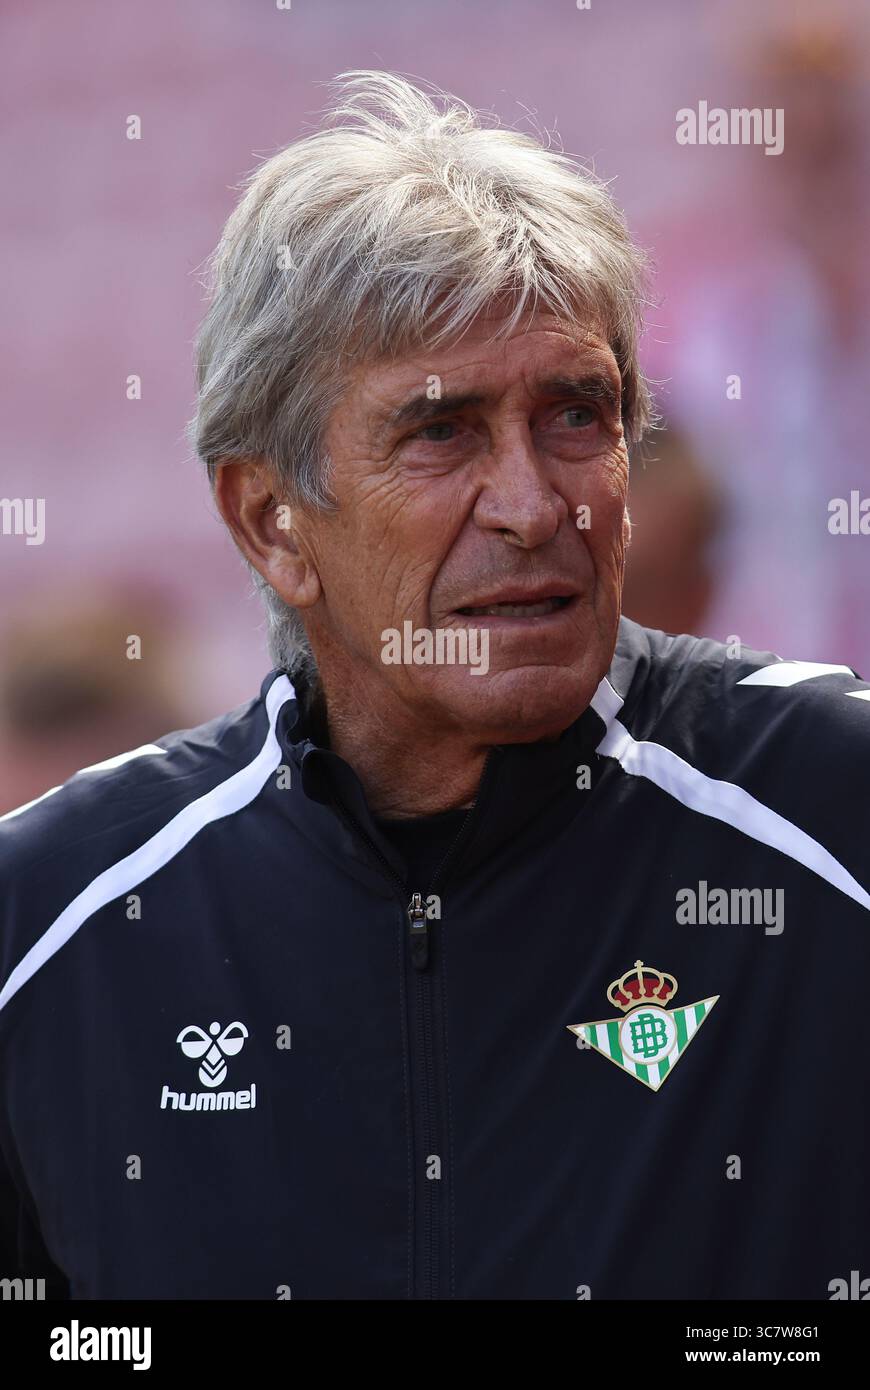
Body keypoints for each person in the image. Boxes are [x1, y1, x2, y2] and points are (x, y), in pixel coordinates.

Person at [1, 71, 867, 1301]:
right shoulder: (50, 925)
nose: (532, 506)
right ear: (270, 521)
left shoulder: (835, 814)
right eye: (441, 431)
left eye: (578, 413)